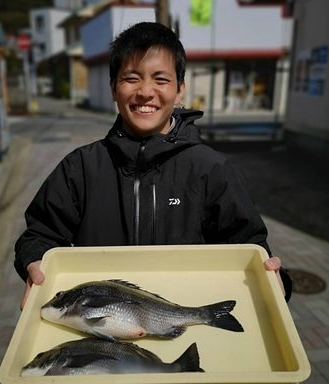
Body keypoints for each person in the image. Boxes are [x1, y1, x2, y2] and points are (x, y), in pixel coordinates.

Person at [15, 22, 291, 309]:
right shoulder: (81, 167)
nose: (146, 92)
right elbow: (40, 233)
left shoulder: (211, 169)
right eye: (131, 78)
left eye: (161, 80)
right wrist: (35, 259)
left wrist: (272, 276)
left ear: (180, 89)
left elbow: (248, 245)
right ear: (113, 88)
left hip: (185, 314)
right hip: (102, 323)